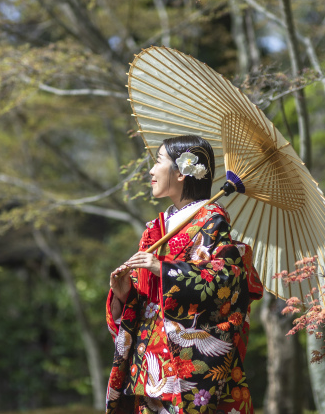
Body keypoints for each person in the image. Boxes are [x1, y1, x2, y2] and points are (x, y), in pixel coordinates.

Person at [106, 135, 264, 414]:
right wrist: (125, 293)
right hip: (149, 359)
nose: (152, 171)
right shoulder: (158, 226)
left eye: (158, 162)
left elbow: (225, 280)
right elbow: (143, 294)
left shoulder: (211, 220)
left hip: (186, 361)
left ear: (181, 172)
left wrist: (162, 268)